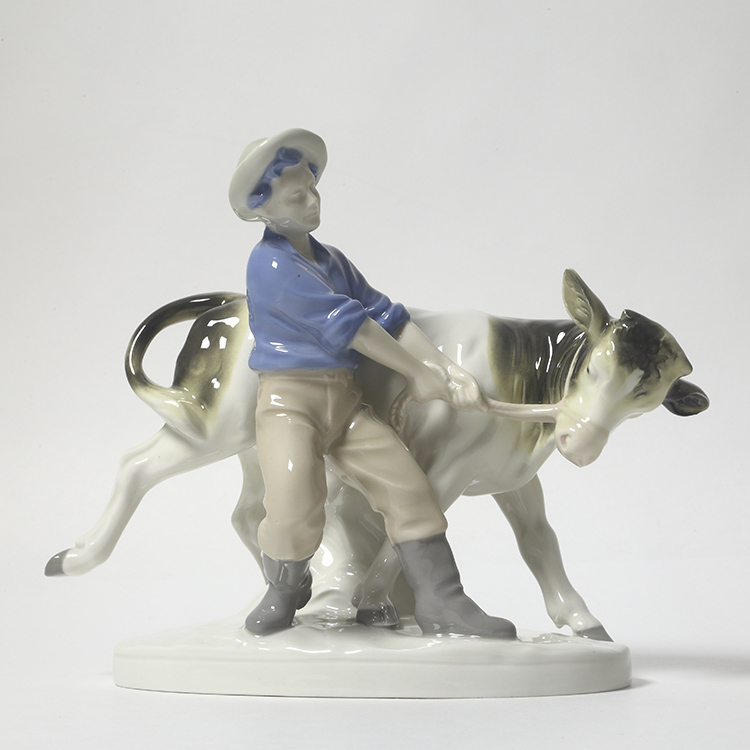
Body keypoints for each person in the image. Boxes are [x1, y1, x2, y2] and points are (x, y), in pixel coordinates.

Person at [229, 128, 515, 639]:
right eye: (296, 196)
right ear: (262, 207)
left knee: (409, 488)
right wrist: (417, 373)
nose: (312, 201)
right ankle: (286, 586)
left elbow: (388, 316)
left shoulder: (332, 260)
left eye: (313, 189)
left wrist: (445, 369)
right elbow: (352, 326)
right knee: (294, 506)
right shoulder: (269, 263)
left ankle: (442, 600)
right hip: (289, 402)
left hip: (344, 399)